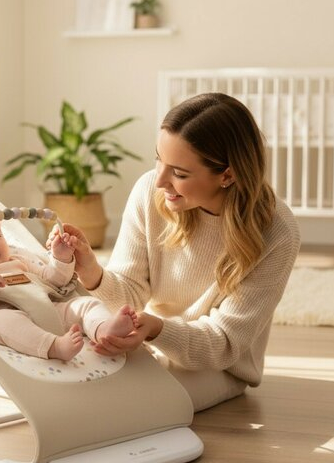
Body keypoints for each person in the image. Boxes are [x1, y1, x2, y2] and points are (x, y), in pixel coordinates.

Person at [46, 93, 301, 412]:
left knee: (122, 402)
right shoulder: (149, 192)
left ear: (227, 175)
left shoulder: (276, 232)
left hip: (217, 364)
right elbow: (130, 295)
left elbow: (224, 343)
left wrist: (157, 329)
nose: (160, 181)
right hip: (150, 339)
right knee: (61, 366)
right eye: (159, 160)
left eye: (179, 173)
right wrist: (92, 272)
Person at [0, 203, 141, 361]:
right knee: (5, 321)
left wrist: (61, 257)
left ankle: (104, 329)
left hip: (47, 308)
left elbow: (56, 280)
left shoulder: (18, 259)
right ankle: (54, 347)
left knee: (85, 304)